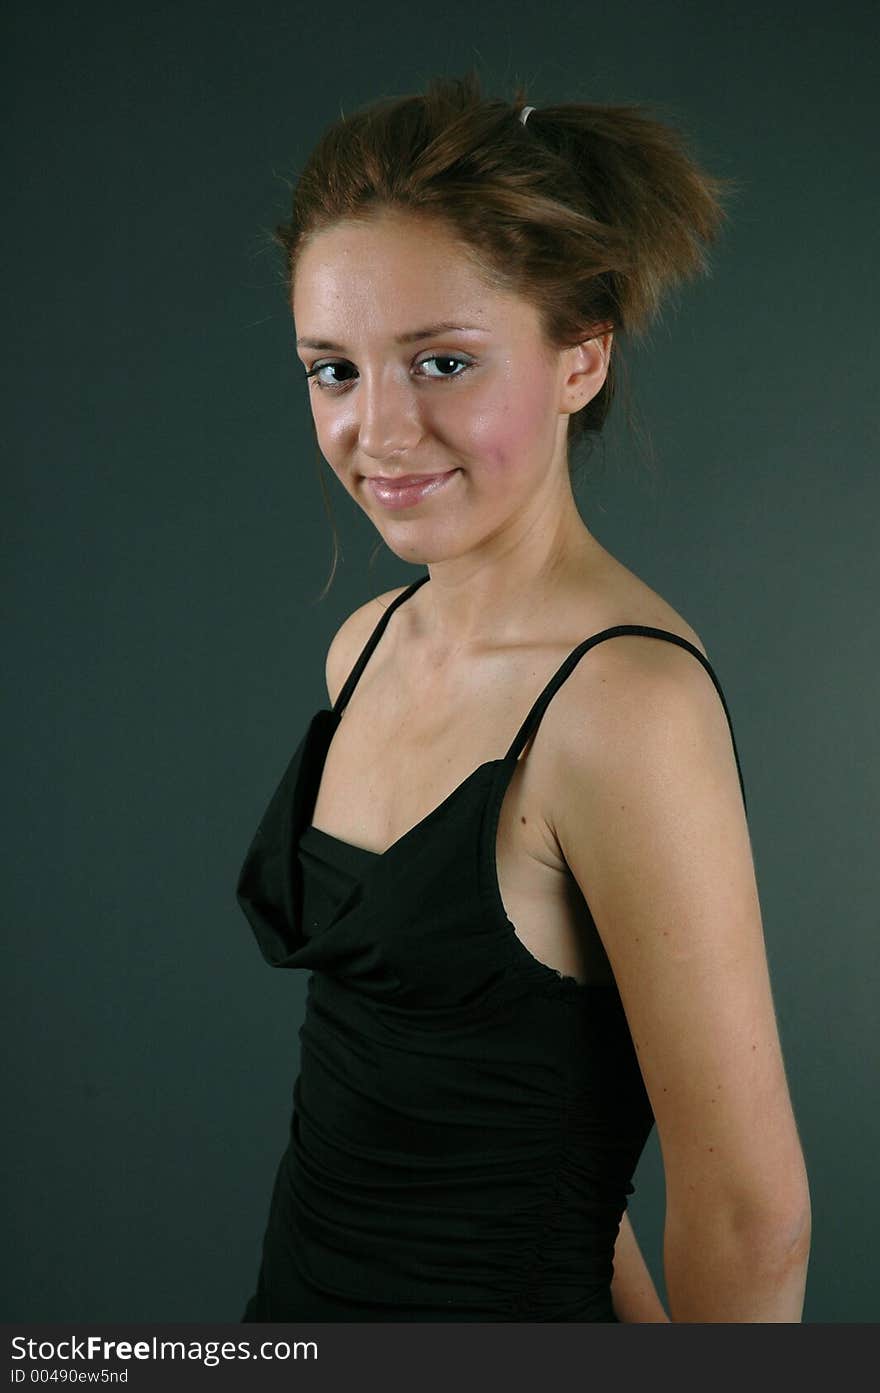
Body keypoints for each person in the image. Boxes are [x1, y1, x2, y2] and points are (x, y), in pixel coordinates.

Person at [236, 71, 811, 1322]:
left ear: (579, 361)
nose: (378, 430)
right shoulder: (366, 644)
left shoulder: (622, 707)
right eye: (332, 370)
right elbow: (500, 1097)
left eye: (440, 360)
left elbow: (749, 1216)